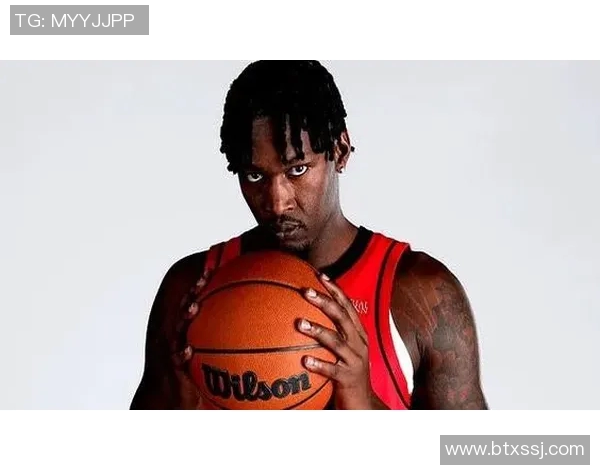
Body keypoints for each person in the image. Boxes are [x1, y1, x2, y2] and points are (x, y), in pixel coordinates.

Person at [130, 60, 488, 410]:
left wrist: (363, 403)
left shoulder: (421, 295)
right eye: (255, 176)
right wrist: (180, 402)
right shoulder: (190, 289)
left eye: (297, 169)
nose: (277, 202)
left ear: (340, 151)